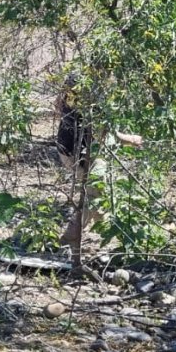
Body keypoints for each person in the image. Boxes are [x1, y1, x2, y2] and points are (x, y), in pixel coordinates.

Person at [55, 78, 142, 247]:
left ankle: (106, 230)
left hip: (66, 149)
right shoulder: (92, 95)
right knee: (94, 195)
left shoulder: (74, 88)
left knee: (98, 192)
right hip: (78, 154)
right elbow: (106, 133)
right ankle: (71, 236)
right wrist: (132, 139)